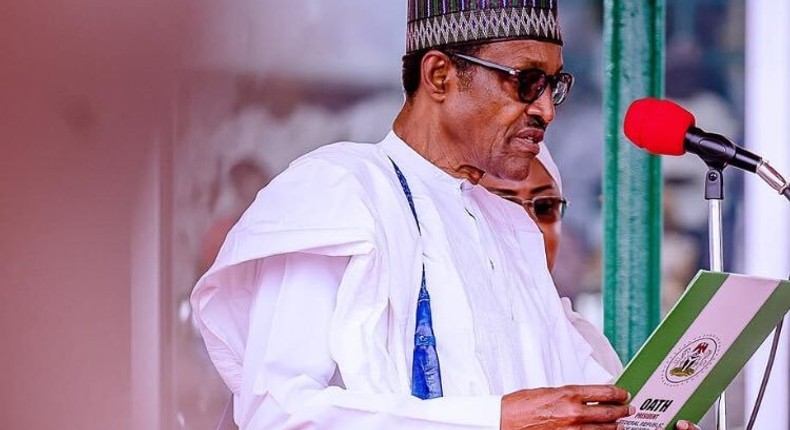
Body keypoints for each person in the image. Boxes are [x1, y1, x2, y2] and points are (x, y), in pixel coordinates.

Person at [191, 2, 701, 429]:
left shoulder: (510, 227)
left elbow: (575, 402)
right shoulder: (342, 189)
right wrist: (495, 420)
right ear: (440, 75)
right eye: (525, 82)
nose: (546, 109)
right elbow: (280, 414)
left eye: (553, 85)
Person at [480, 142, 624, 377]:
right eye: (506, 206)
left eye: (545, 206)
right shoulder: (440, 334)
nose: (530, 226)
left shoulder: (587, 346)